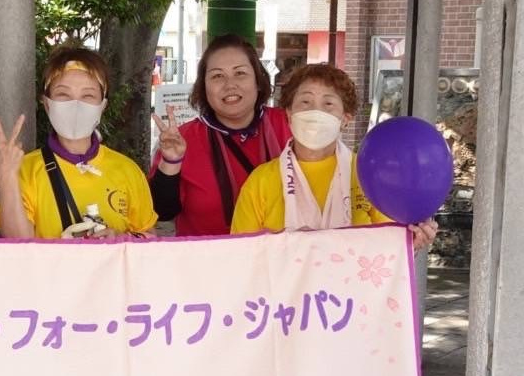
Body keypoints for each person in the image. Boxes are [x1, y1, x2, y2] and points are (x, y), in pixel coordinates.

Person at [230, 62, 439, 248]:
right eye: (305, 102)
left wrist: (412, 242)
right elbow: (240, 255)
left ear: (345, 118)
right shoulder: (261, 181)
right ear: (289, 113)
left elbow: (391, 249)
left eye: (328, 104)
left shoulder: (369, 174)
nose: (316, 112)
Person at [0, 46, 157, 239]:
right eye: (63, 94)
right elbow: (17, 243)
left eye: (88, 95)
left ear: (102, 106)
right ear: (47, 104)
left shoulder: (128, 170)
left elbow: (149, 238)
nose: (76, 105)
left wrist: (120, 239)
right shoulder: (26, 169)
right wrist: (7, 178)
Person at [149, 34, 292, 236]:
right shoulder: (182, 139)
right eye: (217, 76)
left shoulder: (290, 124)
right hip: (208, 254)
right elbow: (161, 212)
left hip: (287, 253)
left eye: (240, 73)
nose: (230, 84)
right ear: (203, 87)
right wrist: (171, 162)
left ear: (258, 81)